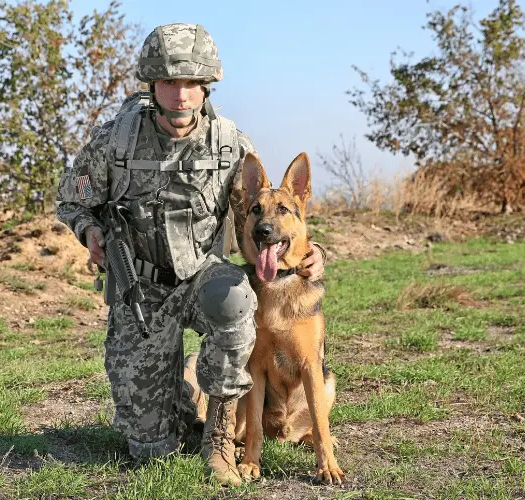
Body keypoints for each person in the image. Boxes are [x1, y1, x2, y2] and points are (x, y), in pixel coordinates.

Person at [55, 23, 326, 486]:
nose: (180, 95)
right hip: (141, 287)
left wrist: (311, 252)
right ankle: (180, 402)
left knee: (237, 300)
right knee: (151, 448)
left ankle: (220, 437)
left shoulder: (230, 144)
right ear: (152, 84)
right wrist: (91, 232)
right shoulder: (114, 141)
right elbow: (70, 200)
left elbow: (267, 216)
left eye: (191, 84)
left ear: (206, 87)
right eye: (169, 82)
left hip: (202, 277)